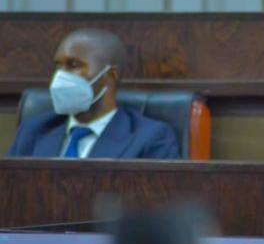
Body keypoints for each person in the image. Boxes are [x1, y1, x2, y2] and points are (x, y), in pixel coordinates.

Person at [7, 28, 179, 159]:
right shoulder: (34, 130)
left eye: (73, 65)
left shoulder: (150, 138)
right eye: (58, 66)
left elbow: (156, 204)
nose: (60, 76)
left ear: (109, 76)